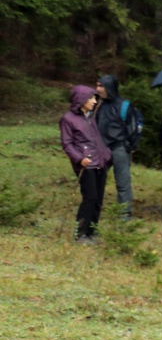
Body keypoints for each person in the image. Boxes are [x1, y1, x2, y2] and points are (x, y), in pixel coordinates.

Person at [59, 85, 111, 241]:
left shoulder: (89, 117)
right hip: (86, 164)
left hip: (100, 162)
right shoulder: (68, 119)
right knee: (90, 197)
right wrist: (80, 159)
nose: (95, 101)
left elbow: (96, 139)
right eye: (92, 98)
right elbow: (67, 144)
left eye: (95, 98)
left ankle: (92, 231)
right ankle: (80, 233)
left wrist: (106, 154)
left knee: (99, 199)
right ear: (81, 100)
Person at [93, 75, 141, 218]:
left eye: (101, 86)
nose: (98, 89)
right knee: (97, 180)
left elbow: (134, 128)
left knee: (123, 182)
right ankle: (95, 210)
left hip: (119, 148)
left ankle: (124, 214)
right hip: (102, 149)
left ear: (109, 87)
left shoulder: (125, 106)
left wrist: (128, 146)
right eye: (97, 85)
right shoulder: (99, 105)